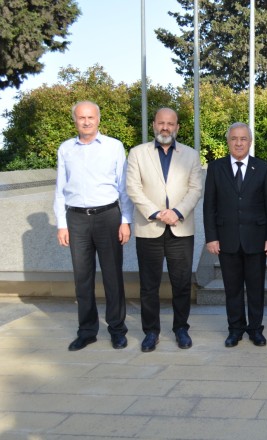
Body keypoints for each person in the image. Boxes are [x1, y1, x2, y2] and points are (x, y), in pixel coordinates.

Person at [54, 100, 133, 351]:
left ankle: (117, 330)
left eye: (90, 117)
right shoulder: (66, 149)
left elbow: (124, 188)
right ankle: (87, 330)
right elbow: (59, 189)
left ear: (98, 119)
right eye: (81, 118)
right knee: (82, 278)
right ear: (75, 120)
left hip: (108, 216)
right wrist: (61, 224)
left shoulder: (114, 147)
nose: (86, 122)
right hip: (76, 219)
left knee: (112, 276)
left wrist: (125, 221)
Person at [126, 108, 202, 352]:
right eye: (161, 123)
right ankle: (151, 332)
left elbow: (195, 189)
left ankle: (181, 329)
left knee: (181, 283)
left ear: (177, 127)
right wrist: (158, 213)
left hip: (180, 229)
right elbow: (133, 188)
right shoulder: (138, 154)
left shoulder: (190, 155)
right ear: (154, 125)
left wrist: (176, 212)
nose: (165, 127)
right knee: (149, 285)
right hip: (149, 228)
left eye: (170, 123)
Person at [203, 122, 267, 348]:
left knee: (256, 289)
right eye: (234, 138)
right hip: (226, 240)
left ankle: (255, 329)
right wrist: (211, 237)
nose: (238, 143)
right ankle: (235, 329)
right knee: (232, 289)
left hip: (256, 239)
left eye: (243, 139)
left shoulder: (262, 168)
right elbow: (209, 206)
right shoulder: (216, 168)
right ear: (228, 141)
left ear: (250, 141)